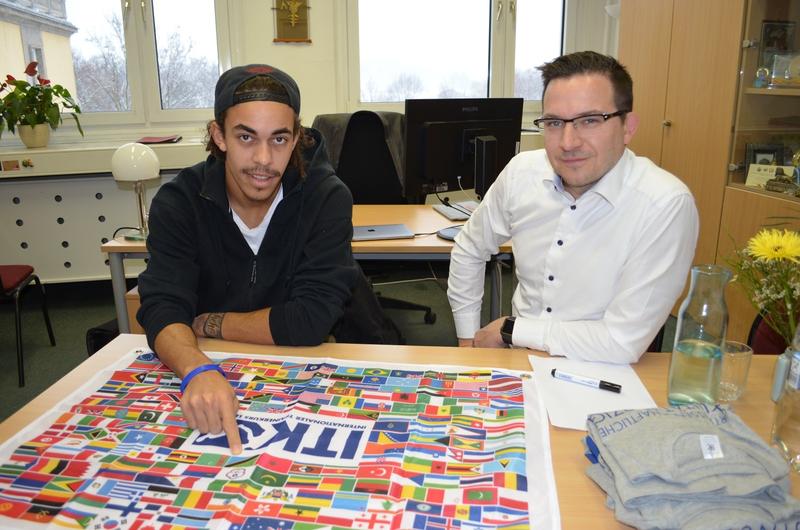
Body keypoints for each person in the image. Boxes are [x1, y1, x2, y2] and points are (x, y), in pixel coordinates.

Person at [136, 64, 360, 454]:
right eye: (245, 137)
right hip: (205, 364)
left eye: (278, 139)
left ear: (296, 140)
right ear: (218, 135)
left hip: (300, 371)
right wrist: (196, 366)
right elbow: (162, 307)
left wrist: (205, 322)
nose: (263, 159)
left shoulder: (326, 196)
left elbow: (310, 320)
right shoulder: (179, 202)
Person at [447, 51, 699, 364]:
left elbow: (622, 341)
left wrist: (511, 330)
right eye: (554, 122)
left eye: (590, 120)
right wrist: (467, 340)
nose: (568, 142)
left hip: (602, 372)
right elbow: (470, 247)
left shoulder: (665, 204)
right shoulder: (521, 172)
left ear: (627, 127)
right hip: (515, 364)